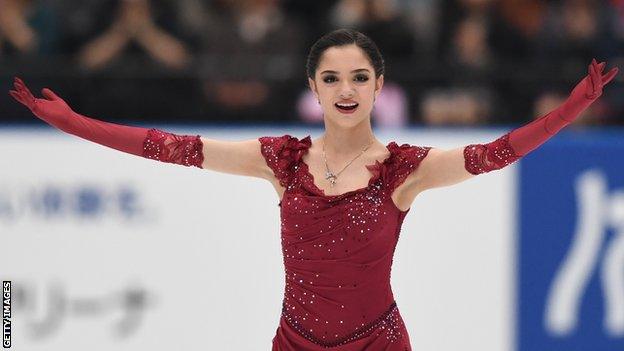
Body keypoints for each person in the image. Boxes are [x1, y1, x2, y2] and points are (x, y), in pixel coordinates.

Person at [8, 28, 618, 350]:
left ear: (379, 86)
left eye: (358, 77)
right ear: (315, 87)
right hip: (295, 344)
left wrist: (570, 109)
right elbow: (169, 147)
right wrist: (77, 125)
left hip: (378, 344)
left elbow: (495, 154)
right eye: (332, 78)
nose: (345, 89)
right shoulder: (281, 161)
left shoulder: (404, 169)